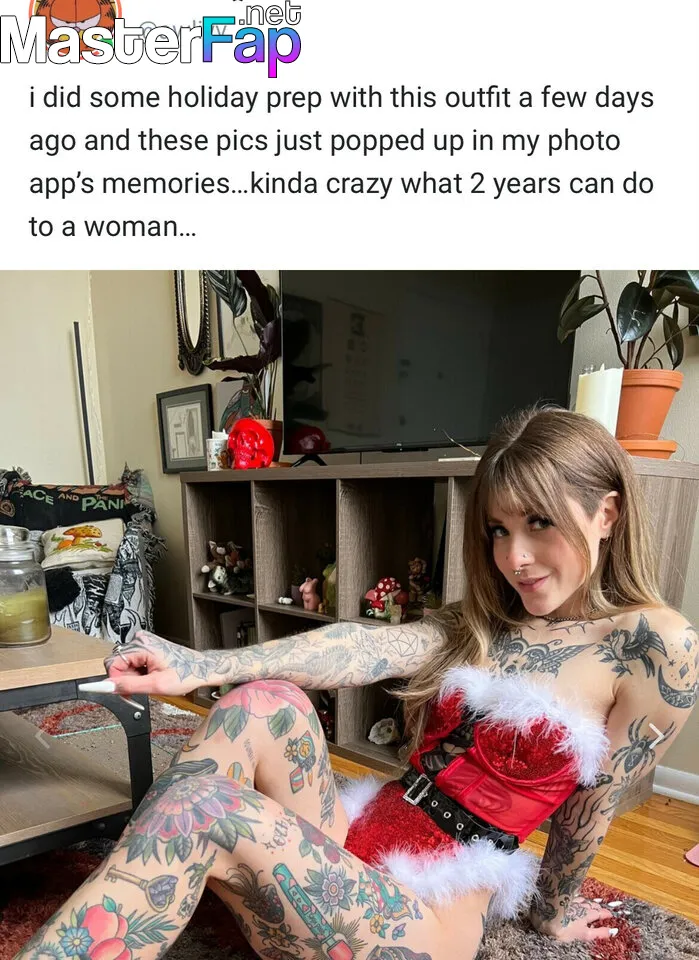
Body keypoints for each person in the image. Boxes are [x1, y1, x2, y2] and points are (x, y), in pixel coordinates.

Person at [16, 407, 697, 960]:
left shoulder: (655, 648)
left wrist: (550, 915)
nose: (513, 557)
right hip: (354, 841)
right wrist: (205, 666)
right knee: (265, 703)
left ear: (606, 514)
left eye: (538, 523)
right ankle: (155, 873)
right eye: (497, 529)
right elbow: (362, 646)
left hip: (421, 916)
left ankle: (164, 860)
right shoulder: (492, 619)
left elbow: (592, 804)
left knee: (202, 808)